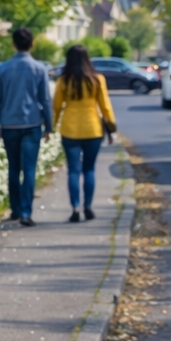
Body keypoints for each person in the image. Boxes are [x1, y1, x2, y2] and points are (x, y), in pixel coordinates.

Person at [0, 27, 53, 226]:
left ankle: (15, 210)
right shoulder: (39, 68)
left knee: (13, 168)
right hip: (32, 123)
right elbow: (45, 99)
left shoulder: (2, 69)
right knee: (29, 168)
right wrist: (49, 126)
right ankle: (26, 211)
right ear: (32, 44)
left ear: (13, 44)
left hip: (9, 124)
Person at [52, 45, 116, 222]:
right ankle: (88, 206)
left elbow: (56, 107)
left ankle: (75, 207)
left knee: (73, 170)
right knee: (89, 169)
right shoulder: (97, 79)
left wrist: (51, 126)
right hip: (93, 129)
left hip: (70, 129)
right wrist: (112, 128)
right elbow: (105, 107)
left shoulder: (64, 80)